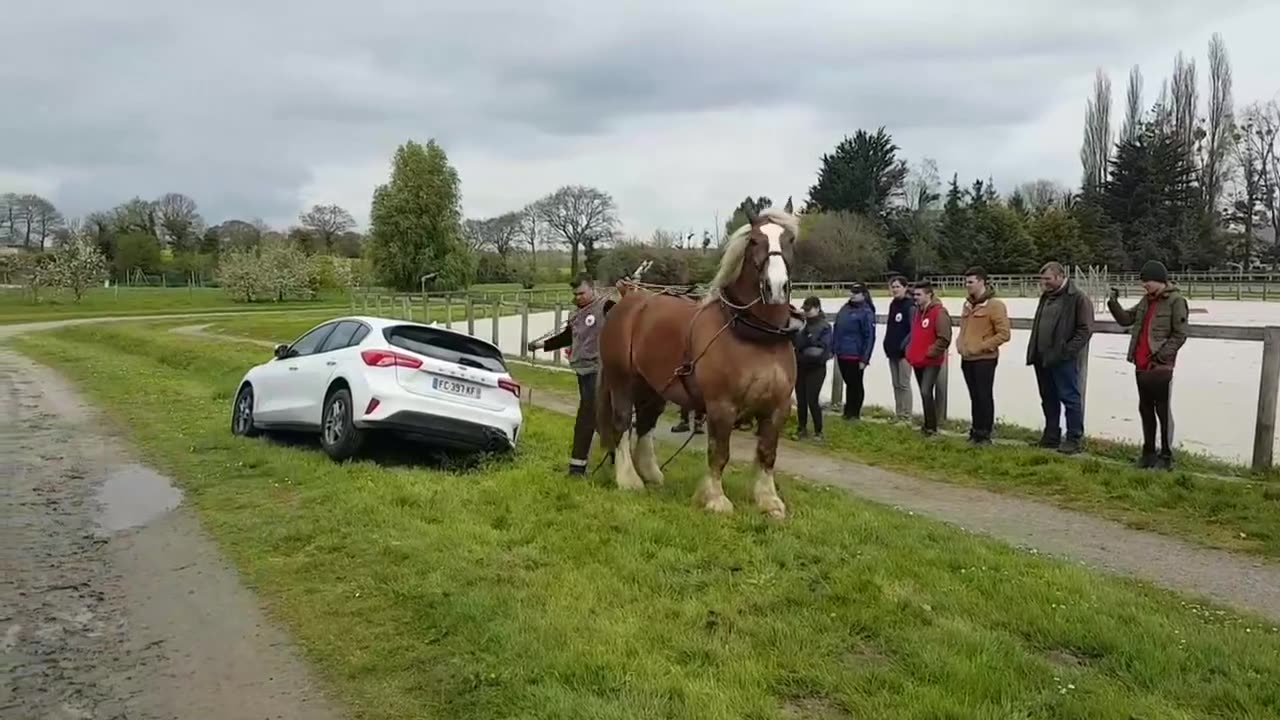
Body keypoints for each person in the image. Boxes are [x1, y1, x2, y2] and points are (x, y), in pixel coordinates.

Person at [528, 274, 615, 475]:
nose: (578, 297)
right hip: (582, 370)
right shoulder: (576, 314)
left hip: (599, 370)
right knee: (600, 416)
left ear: (592, 289)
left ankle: (577, 468)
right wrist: (541, 345)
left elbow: (625, 313)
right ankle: (617, 453)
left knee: (587, 414)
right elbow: (567, 337)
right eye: (575, 294)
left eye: (582, 293)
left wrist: (629, 292)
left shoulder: (606, 306)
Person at [1107, 260, 1189, 470]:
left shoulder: (1176, 301)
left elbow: (1180, 334)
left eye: (1147, 282)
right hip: (1141, 363)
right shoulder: (1146, 301)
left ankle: (1166, 455)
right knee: (1145, 409)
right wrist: (1113, 303)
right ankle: (1149, 451)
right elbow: (1126, 320)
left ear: (1159, 280)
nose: (1144, 285)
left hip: (1160, 366)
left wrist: (1162, 356)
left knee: (1162, 410)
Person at [1026, 261, 1094, 455]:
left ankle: (1074, 438)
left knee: (1070, 398)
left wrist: (1066, 351)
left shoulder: (1078, 298)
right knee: (1048, 398)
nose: (1043, 283)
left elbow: (1085, 330)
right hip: (1042, 357)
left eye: (1047, 279)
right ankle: (1051, 435)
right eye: (1042, 279)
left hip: (1063, 359)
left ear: (1059, 276)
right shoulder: (1046, 297)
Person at [957, 266, 1011, 445]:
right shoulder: (967, 305)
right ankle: (975, 431)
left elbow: (1004, 334)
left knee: (984, 395)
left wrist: (982, 346)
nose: (967, 285)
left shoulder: (995, 306)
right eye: (966, 282)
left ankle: (985, 433)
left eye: (971, 282)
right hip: (967, 358)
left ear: (982, 282)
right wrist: (960, 343)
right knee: (974, 396)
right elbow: (964, 328)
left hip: (984, 359)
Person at [904, 281, 952, 436]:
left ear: (929, 295)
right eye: (914, 295)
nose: (915, 298)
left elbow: (944, 337)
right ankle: (927, 425)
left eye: (918, 295)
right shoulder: (917, 312)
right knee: (924, 393)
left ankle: (932, 427)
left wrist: (931, 352)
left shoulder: (939, 313)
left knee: (926, 391)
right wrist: (910, 350)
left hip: (931, 361)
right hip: (918, 360)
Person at [831, 282, 876, 421]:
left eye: (856, 293)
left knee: (855, 384)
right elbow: (837, 328)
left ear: (863, 295)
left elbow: (870, 336)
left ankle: (854, 413)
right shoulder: (845, 309)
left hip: (855, 354)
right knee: (849, 383)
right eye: (851, 292)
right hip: (842, 352)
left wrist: (864, 358)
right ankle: (847, 411)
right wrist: (834, 348)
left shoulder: (866, 312)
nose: (852, 295)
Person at [792, 296, 833, 441]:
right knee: (801, 399)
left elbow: (824, 349)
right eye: (805, 309)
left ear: (817, 308)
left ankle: (818, 431)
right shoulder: (801, 325)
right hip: (801, 365)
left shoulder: (825, 327)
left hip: (816, 368)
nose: (807, 312)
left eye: (809, 310)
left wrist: (808, 342)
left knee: (812, 399)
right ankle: (801, 428)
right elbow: (796, 344)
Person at [882, 275, 915, 422]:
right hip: (892, 350)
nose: (895, 289)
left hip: (905, 353)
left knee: (904, 383)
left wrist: (905, 346)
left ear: (905, 288)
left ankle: (906, 415)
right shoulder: (893, 304)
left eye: (898, 287)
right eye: (893, 287)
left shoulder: (910, 306)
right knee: (895, 384)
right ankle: (899, 413)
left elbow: (913, 330)